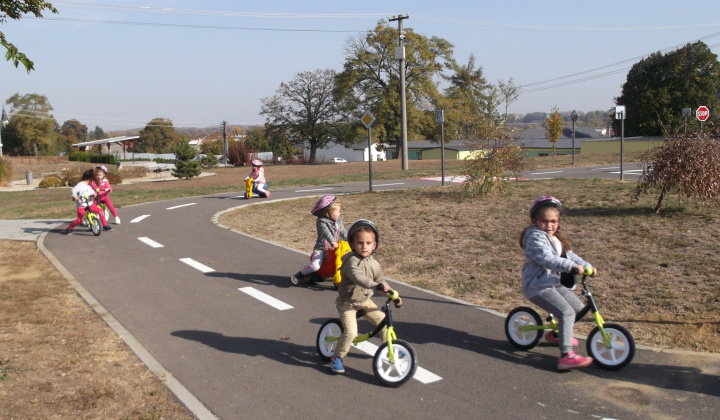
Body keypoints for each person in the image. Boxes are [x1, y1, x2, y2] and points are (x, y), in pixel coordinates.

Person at [519, 195, 596, 370]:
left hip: (552, 283)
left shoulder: (555, 238)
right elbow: (546, 259)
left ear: (558, 221)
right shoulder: (534, 237)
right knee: (566, 312)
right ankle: (566, 355)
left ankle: (558, 333)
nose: (549, 225)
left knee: (577, 308)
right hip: (537, 285)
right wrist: (572, 268)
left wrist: (586, 266)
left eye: (553, 221)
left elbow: (570, 256)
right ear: (534, 220)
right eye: (544, 221)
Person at [328, 219, 402, 374]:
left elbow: (381, 282)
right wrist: (376, 286)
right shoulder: (350, 262)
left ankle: (387, 350)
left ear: (374, 245)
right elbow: (359, 278)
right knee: (351, 332)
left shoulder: (374, 264)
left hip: (365, 301)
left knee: (383, 322)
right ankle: (337, 357)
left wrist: (393, 295)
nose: (364, 246)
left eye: (368, 243)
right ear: (353, 245)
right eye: (360, 243)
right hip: (347, 303)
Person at [290, 195, 347, 285]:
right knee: (315, 266)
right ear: (327, 212)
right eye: (337, 211)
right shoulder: (321, 222)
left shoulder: (338, 221)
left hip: (334, 249)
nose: (339, 213)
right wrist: (332, 241)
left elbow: (343, 231)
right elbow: (325, 232)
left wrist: (351, 239)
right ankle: (300, 274)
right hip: (321, 249)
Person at [63, 169, 113, 234]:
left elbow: (91, 192)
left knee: (100, 211)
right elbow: (73, 190)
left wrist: (94, 194)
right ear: (90, 178)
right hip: (81, 205)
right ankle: (69, 228)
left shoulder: (88, 186)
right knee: (79, 220)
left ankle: (105, 225)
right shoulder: (80, 185)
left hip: (89, 203)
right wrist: (75, 196)